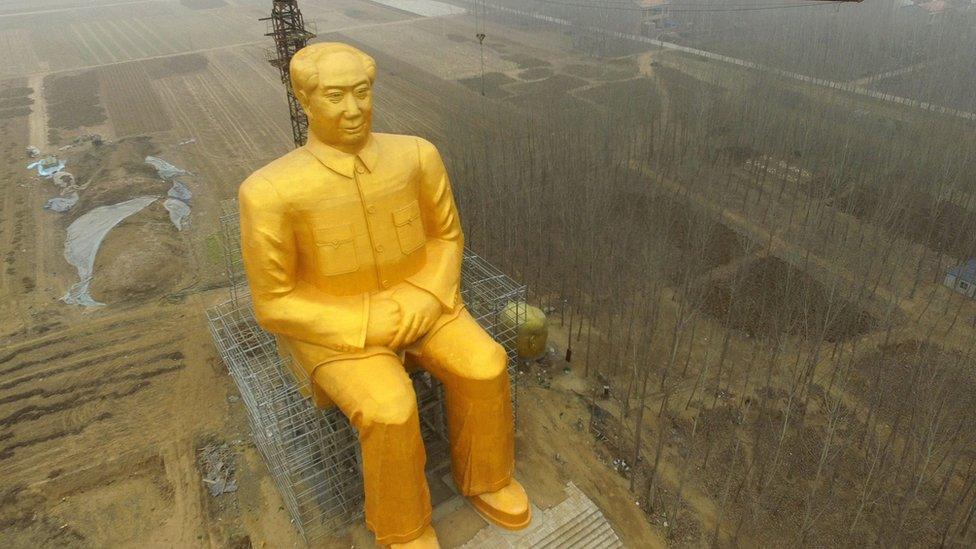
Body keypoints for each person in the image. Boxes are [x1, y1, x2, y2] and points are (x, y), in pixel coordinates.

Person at [238, 42, 530, 548]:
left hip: (425, 302)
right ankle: (403, 528)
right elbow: (274, 302)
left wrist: (428, 295)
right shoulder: (270, 192)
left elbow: (446, 238)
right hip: (338, 326)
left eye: (361, 92)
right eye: (334, 96)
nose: (352, 109)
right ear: (305, 101)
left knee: (486, 365)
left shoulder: (416, 155)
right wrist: (367, 322)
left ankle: (487, 478)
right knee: (390, 410)